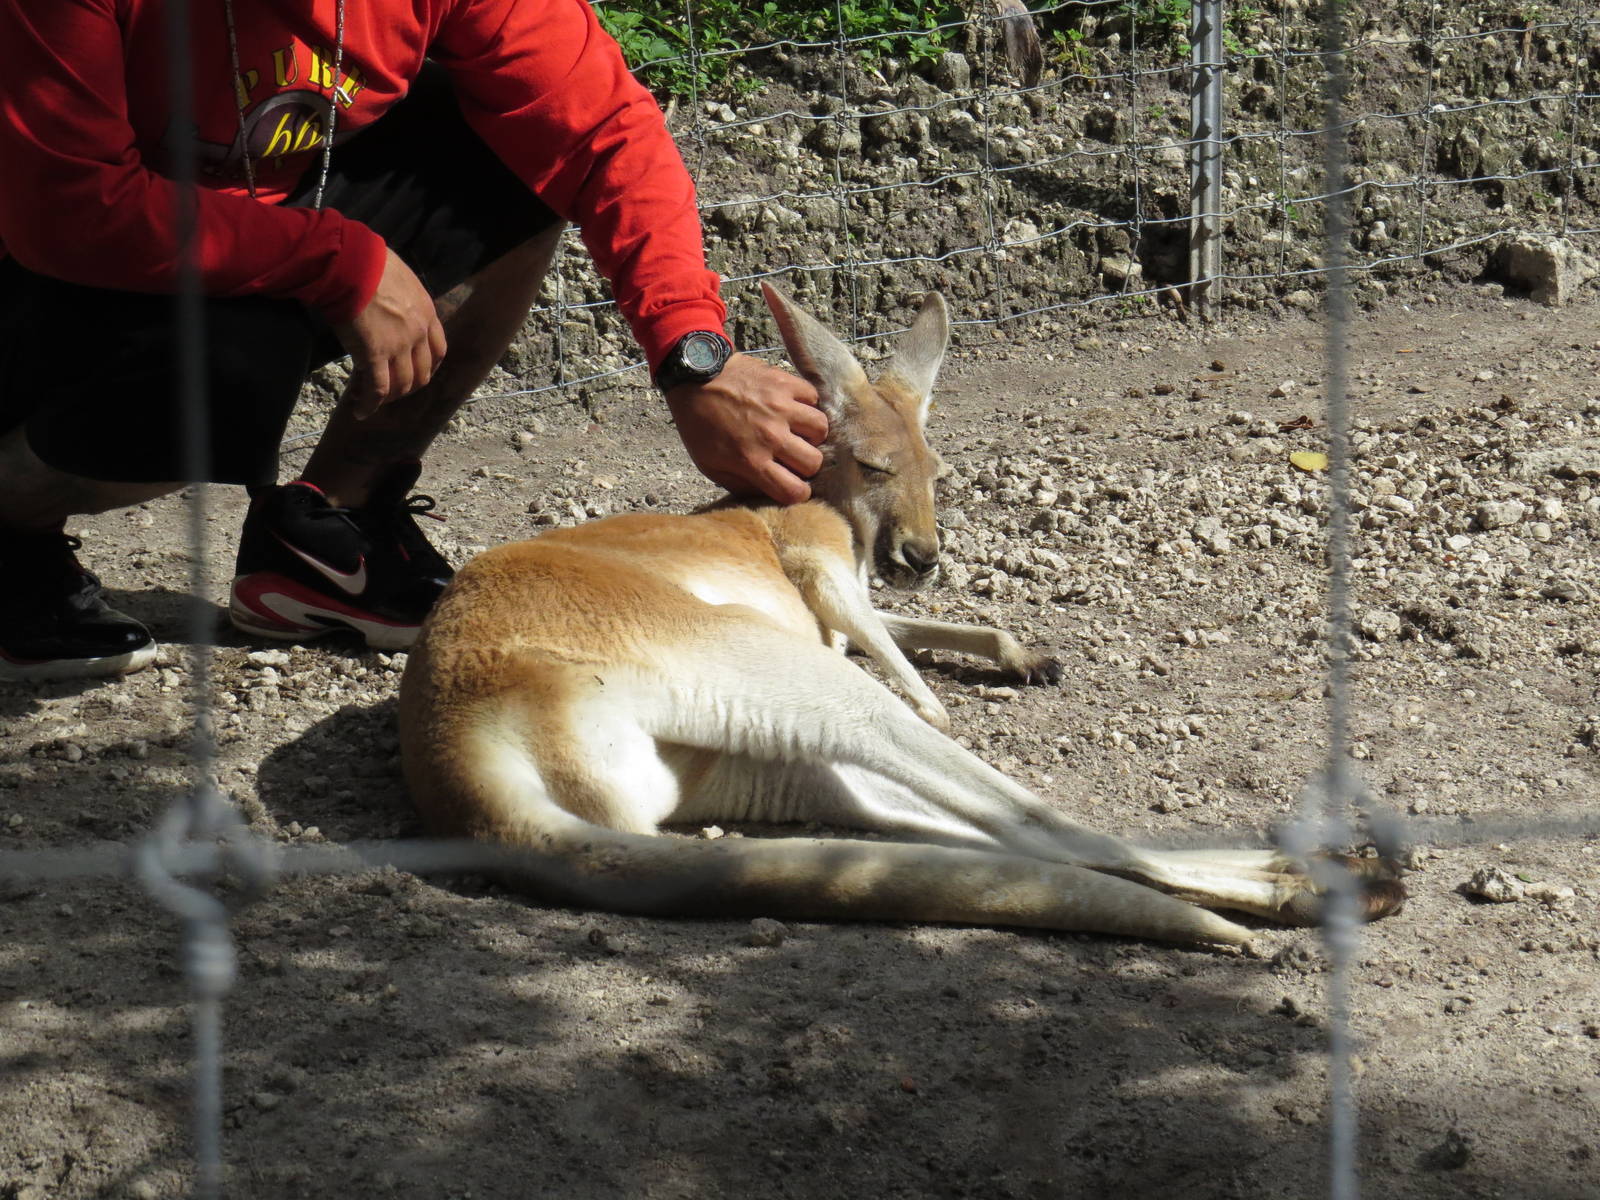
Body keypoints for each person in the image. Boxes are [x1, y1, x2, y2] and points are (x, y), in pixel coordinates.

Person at [0, 0, 827, 682]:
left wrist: (693, 355)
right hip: (40, 259)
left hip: (221, 234)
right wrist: (339, 258)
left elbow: (605, 129)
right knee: (224, 376)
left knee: (517, 158)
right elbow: (68, 212)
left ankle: (328, 532)